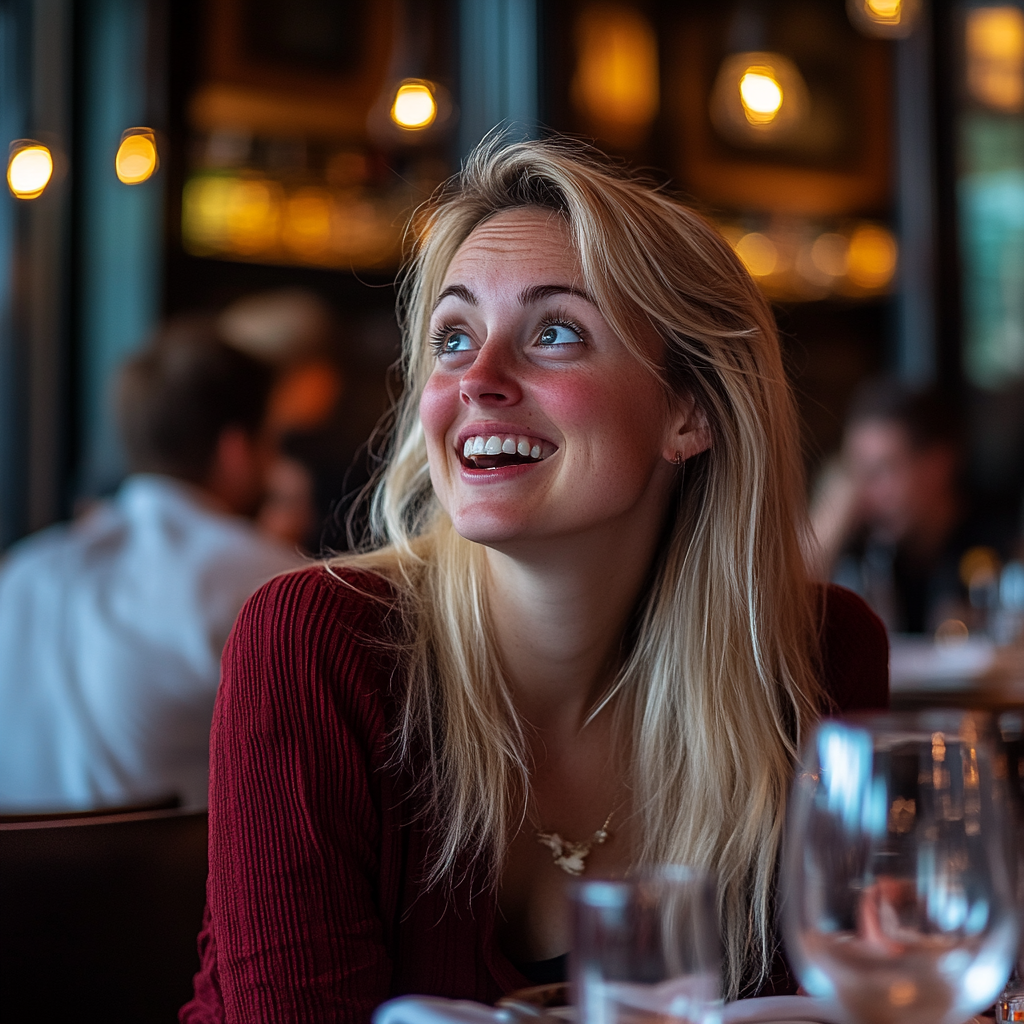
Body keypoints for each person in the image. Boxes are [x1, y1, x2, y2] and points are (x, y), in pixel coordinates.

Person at [181, 137, 888, 1024]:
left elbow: (868, 999)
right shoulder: (316, 644)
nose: (477, 380)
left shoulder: (815, 659)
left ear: (691, 410)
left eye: (554, 332)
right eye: (453, 336)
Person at [0, 317, 301, 814]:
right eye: (272, 440)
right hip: (158, 886)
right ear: (236, 451)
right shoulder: (266, 584)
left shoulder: (21, 573)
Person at [809, 378, 1012, 634]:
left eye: (882, 470)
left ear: (939, 465)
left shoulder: (1002, 545)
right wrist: (828, 522)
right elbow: (779, 611)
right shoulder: (860, 549)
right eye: (856, 473)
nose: (865, 493)